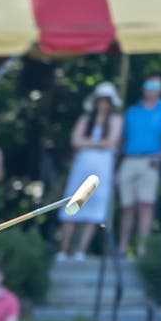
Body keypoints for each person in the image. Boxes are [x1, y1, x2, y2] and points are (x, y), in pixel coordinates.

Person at [56, 82, 123, 261]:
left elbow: (110, 142)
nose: (103, 104)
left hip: (103, 168)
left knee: (95, 209)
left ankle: (81, 251)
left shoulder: (116, 120)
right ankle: (63, 250)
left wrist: (89, 143)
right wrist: (97, 144)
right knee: (72, 204)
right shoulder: (86, 119)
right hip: (82, 167)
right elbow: (75, 140)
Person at [117, 74, 161, 257]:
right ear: (143, 88)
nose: (152, 88)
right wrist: (114, 167)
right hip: (129, 160)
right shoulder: (132, 112)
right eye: (149, 84)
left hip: (150, 161)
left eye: (157, 85)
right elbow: (122, 140)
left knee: (146, 205)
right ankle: (122, 246)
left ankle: (143, 248)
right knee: (127, 206)